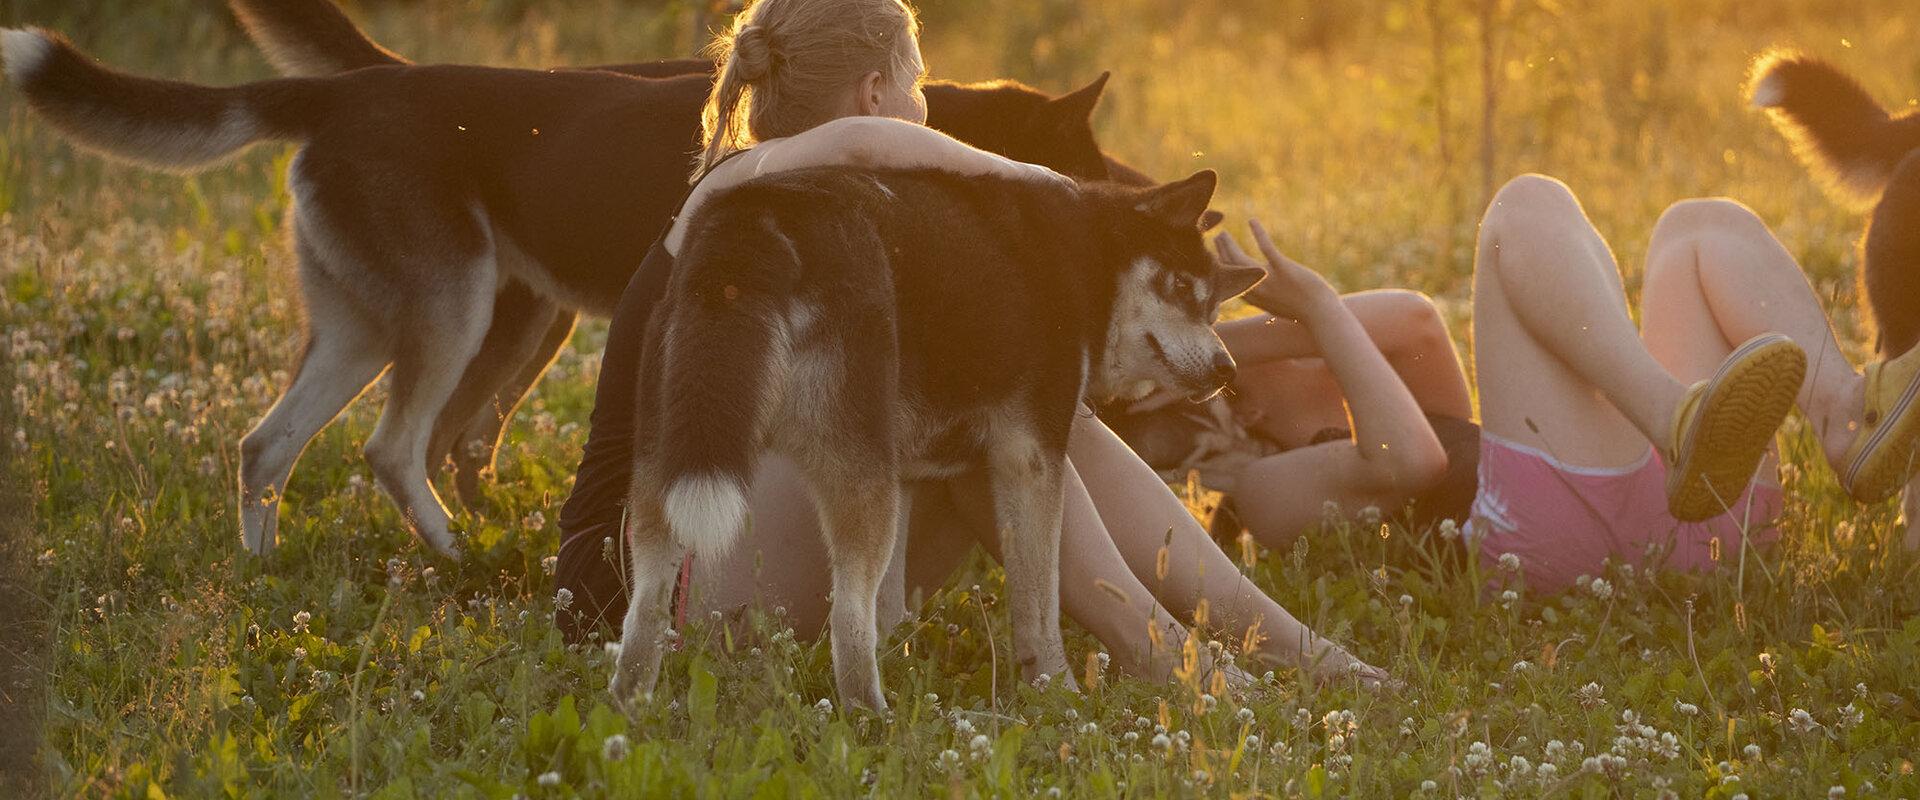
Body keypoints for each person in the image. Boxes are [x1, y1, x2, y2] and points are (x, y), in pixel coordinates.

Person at [552, 0, 1392, 685]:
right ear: (876, 90)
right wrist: (1056, 188)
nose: (929, 107)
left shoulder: (839, 212)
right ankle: (1169, 656)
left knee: (1025, 404)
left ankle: (1281, 648)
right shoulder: (746, 186)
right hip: (641, 592)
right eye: (920, 87)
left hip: (733, 559)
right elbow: (858, 140)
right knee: (989, 410)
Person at [1462, 174, 1920, 591]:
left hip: (1617, 513)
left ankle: (1846, 415)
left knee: (1695, 226)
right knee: (1527, 203)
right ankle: (1678, 423)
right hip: (1624, 527)